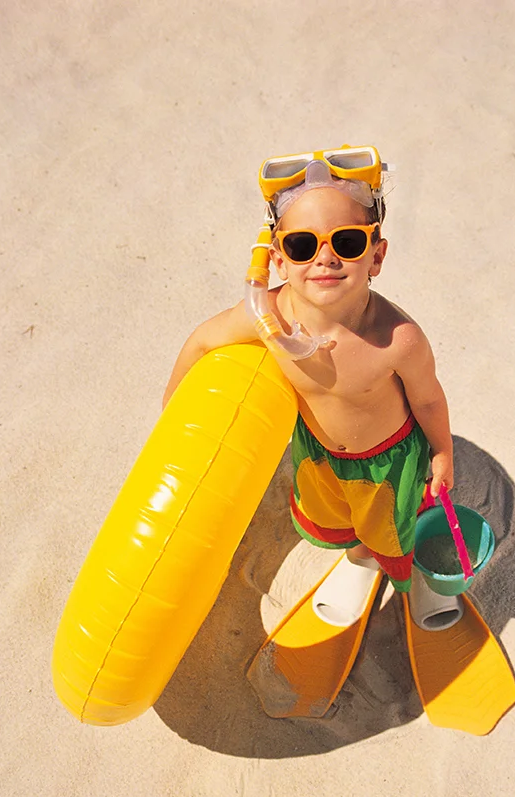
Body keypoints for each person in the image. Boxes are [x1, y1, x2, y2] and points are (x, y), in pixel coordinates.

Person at [163, 147, 453, 593]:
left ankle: (388, 569)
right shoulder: (268, 315)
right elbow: (202, 340)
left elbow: (428, 398)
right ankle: (357, 555)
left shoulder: (397, 338)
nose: (325, 258)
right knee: (333, 518)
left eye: (347, 242)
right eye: (302, 245)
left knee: (390, 529)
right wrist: (172, 413)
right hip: (318, 454)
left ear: (375, 257)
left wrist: (443, 452)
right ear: (279, 259)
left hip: (387, 463)